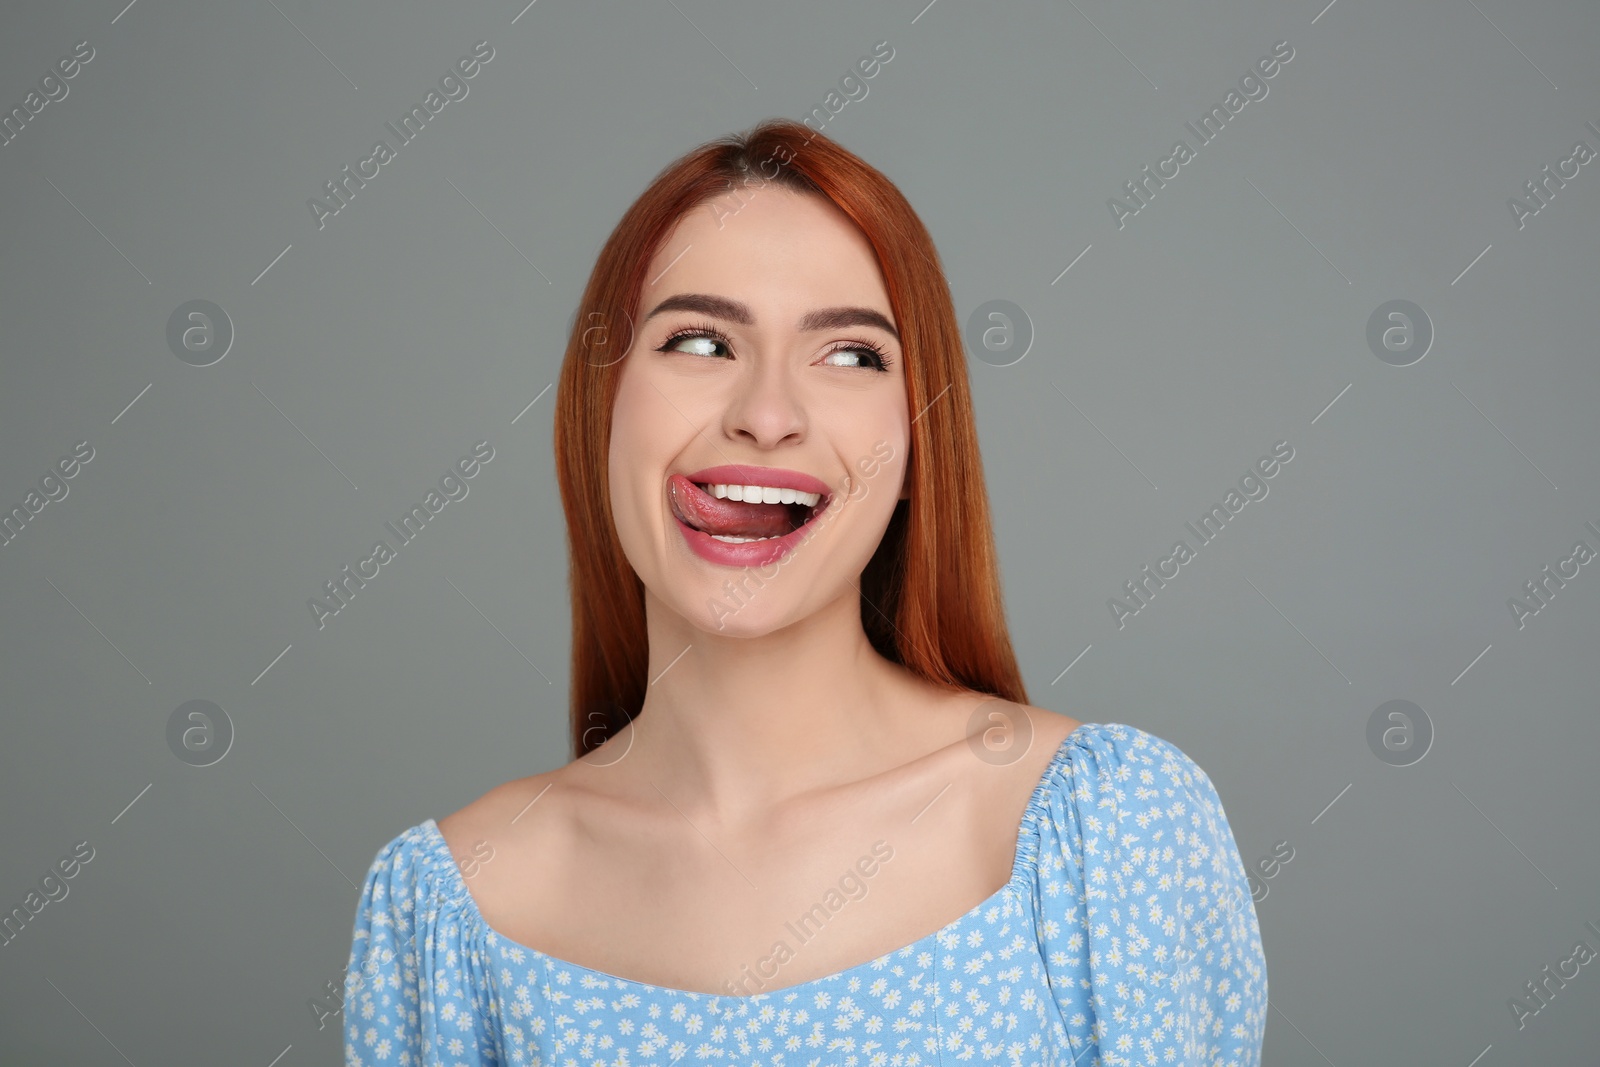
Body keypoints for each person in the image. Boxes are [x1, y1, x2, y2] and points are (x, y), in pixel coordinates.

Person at [342, 118, 1267, 1066]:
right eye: (700, 342)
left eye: (851, 355)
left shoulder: (1105, 833)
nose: (767, 416)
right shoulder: (452, 904)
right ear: (601, 407)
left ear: (914, 445)